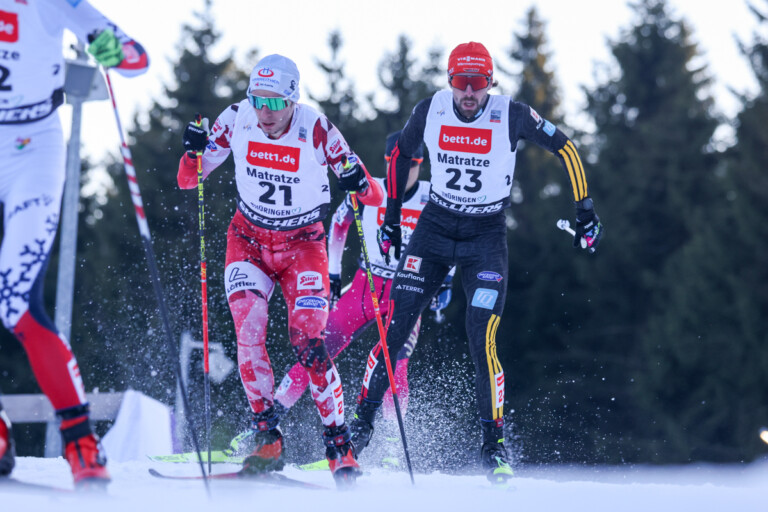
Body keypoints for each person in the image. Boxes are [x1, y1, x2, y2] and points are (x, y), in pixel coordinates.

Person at [350, 41, 604, 484]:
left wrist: (585, 209)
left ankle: (493, 445)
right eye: (462, 82)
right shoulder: (430, 109)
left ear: (490, 82)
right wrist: (390, 219)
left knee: (480, 337)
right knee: (395, 329)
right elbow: (402, 157)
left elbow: (566, 149)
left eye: (479, 82)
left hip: (485, 237)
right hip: (433, 230)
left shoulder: (511, 114)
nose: (469, 93)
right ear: (450, 81)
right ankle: (361, 424)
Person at [177, 54, 382, 483]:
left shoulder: (317, 128)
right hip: (247, 239)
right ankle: (267, 438)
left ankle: (339, 444)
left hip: (303, 245)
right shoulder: (236, 119)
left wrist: (357, 182)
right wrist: (192, 150)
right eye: (257, 100)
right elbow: (189, 178)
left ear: (293, 99)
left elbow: (375, 196)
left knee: (308, 338)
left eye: (274, 103)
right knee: (247, 330)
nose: (265, 113)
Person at [0, 0, 148, 486]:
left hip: (30, 149)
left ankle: (81, 440)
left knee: (15, 302)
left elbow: (136, 58)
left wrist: (112, 50)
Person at [272, 132, 453, 464]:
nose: (401, 170)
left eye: (409, 165)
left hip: (407, 289)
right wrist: (333, 272)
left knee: (394, 360)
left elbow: (452, 237)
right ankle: (266, 426)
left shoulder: (432, 197)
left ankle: (390, 450)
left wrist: (446, 281)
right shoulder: (370, 189)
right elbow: (338, 225)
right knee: (315, 350)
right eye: (393, 164)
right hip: (364, 285)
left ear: (420, 165)